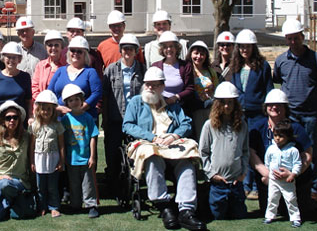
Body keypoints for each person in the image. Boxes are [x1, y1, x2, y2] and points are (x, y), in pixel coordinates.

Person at [122, 67, 206, 230]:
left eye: (154, 85)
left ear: (162, 86)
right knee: (152, 158)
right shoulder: (136, 102)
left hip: (171, 143)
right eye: (148, 85)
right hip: (149, 143)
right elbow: (128, 125)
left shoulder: (170, 103)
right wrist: (152, 137)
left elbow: (186, 123)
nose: (150, 88)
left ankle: (186, 210)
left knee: (187, 160)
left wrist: (174, 136)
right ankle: (164, 205)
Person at [273, 19, 317, 202]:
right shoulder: (281, 61)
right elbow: (280, 81)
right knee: (291, 150)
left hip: (312, 114)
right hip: (291, 115)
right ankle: (294, 184)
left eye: (296, 38)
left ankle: (313, 188)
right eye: (289, 39)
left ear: (302, 37)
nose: (293, 42)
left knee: (313, 151)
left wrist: (308, 99)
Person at [249, 89, 313, 214]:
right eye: (270, 105)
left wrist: (293, 173)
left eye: (279, 105)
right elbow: (251, 152)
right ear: (265, 107)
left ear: (285, 107)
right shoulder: (258, 127)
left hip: (293, 179)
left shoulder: (295, 128)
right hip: (267, 178)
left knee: (296, 210)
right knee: (272, 210)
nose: (274, 107)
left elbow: (308, 153)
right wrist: (267, 174)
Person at [230, 29, 273, 199]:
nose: (244, 50)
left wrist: (269, 115)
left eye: (248, 47)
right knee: (243, 149)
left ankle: (256, 185)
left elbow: (269, 90)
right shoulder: (235, 67)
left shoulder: (263, 66)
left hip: (258, 115)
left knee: (257, 148)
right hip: (240, 114)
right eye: (241, 47)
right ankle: (245, 185)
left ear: (253, 47)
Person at [199, 82, 248, 220]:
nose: (227, 106)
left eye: (230, 102)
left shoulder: (242, 125)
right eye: (223, 102)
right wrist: (212, 174)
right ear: (217, 104)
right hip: (218, 183)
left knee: (239, 215)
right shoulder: (209, 125)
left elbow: (245, 151)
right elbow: (203, 152)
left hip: (236, 182)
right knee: (218, 215)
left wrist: (243, 173)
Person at [102, 34, 145, 193]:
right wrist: (105, 119)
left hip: (136, 120)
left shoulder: (142, 70)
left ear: (136, 51)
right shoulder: (111, 70)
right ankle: (113, 184)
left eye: (131, 49)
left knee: (136, 153)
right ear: (120, 50)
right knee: (112, 152)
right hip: (115, 118)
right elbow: (105, 95)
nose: (128, 51)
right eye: (125, 48)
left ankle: (136, 183)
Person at [0, 101, 36, 220]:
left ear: (19, 119)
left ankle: (10, 201)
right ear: (3, 120)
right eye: (8, 118)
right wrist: (0, 177)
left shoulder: (26, 137)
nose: (12, 120)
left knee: (18, 215)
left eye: (15, 117)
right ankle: (13, 201)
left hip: (20, 181)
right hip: (0, 182)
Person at [61, 84, 99, 218]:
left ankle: (91, 205)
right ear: (67, 103)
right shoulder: (65, 119)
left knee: (88, 183)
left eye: (77, 99)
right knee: (74, 183)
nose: (74, 102)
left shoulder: (87, 117)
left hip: (86, 157)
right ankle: (75, 204)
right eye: (71, 100)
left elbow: (93, 137)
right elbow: (62, 140)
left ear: (81, 99)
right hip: (72, 159)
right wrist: (63, 157)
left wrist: (92, 156)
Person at [29, 90, 65, 217]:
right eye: (43, 109)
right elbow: (32, 145)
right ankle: (42, 206)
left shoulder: (57, 125)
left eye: (49, 109)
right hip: (39, 159)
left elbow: (61, 144)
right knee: (40, 186)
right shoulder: (35, 125)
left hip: (53, 158)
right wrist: (32, 161)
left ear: (53, 110)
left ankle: (54, 206)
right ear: (38, 110)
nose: (46, 112)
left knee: (52, 185)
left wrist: (61, 160)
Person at [48, 36, 102, 120]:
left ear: (85, 54)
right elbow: (49, 93)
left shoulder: (90, 72)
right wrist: (58, 108)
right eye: (73, 50)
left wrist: (80, 109)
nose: (75, 53)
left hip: (84, 119)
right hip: (61, 119)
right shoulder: (60, 71)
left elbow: (97, 93)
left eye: (79, 51)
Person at [0, 42, 32, 129]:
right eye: (8, 57)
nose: (11, 60)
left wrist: (30, 116)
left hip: (17, 122)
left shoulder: (25, 77)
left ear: (19, 60)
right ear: (3, 58)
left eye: (14, 57)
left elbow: (28, 101)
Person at [263, 121, 302, 228]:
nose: (277, 138)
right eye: (275, 135)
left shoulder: (293, 150)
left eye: (281, 136)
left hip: (287, 181)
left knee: (290, 199)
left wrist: (292, 175)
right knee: (272, 198)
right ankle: (270, 216)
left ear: (288, 137)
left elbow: (297, 164)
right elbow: (267, 161)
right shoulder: (271, 149)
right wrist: (268, 174)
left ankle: (295, 218)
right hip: (273, 180)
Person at [152, 31, 194, 111]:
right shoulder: (155, 66)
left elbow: (190, 89)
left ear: (176, 48)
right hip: (160, 108)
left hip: (180, 108)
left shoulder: (185, 66)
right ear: (162, 49)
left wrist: (176, 97)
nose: (168, 49)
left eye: (171, 46)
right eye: (165, 47)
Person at [186, 40, 220, 139]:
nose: (199, 57)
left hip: (210, 108)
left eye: (202, 54)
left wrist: (212, 89)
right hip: (195, 109)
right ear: (190, 54)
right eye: (196, 53)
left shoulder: (211, 71)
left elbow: (217, 89)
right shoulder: (187, 70)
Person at [31, 30, 66, 107]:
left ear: (62, 47)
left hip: (62, 108)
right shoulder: (40, 66)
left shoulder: (67, 66)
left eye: (56, 45)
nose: (53, 48)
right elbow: (35, 88)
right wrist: (43, 103)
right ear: (46, 48)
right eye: (50, 45)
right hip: (42, 108)